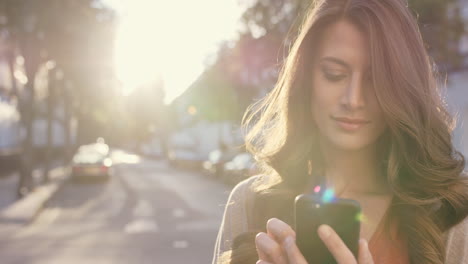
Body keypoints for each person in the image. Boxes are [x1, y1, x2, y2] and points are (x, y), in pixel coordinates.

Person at [212, 0, 468, 263]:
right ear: (306, 79)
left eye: (375, 79)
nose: (353, 99)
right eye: (334, 74)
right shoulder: (249, 202)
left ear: (402, 87)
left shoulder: (452, 213)